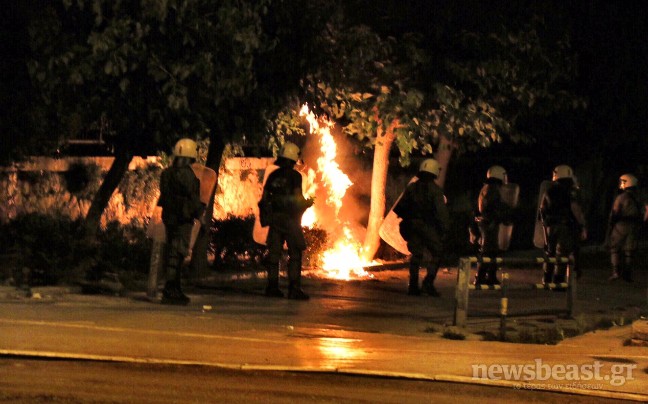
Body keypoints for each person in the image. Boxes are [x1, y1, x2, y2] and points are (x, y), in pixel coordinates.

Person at [259, 142, 314, 300]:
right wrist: (306, 204)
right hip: (290, 220)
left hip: (275, 219)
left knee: (274, 254)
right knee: (295, 253)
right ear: (292, 159)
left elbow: (264, 199)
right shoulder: (295, 176)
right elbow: (297, 198)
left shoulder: (273, 175)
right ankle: (294, 289)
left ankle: (272, 287)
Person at [394, 158, 450, 296]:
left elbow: (399, 209)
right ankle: (428, 284)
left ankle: (413, 286)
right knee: (437, 252)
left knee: (416, 255)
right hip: (427, 227)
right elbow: (441, 213)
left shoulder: (412, 188)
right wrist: (445, 229)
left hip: (412, 225)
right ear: (434, 172)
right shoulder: (435, 190)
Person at [157, 138, 204, 305]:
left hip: (169, 217)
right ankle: (171, 290)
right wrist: (200, 216)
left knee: (172, 251)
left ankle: (174, 289)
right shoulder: (188, 175)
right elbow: (192, 197)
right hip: (183, 217)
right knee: (178, 254)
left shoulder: (166, 173)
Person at [539, 165, 587, 285]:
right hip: (564, 226)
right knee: (562, 254)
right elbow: (575, 209)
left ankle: (546, 278)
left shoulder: (549, 190)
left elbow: (542, 209)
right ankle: (558, 280)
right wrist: (582, 225)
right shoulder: (570, 191)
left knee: (550, 252)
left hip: (550, 226)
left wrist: (545, 225)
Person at [473, 165, 511, 286]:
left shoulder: (487, 188)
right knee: (488, 251)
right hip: (489, 223)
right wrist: (505, 212)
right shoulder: (492, 189)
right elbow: (495, 207)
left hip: (487, 222)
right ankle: (480, 277)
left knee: (492, 251)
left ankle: (490, 276)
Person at [607, 173, 643, 282]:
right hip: (633, 226)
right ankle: (628, 273)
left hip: (621, 225)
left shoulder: (621, 197)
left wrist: (611, 225)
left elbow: (615, 213)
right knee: (629, 250)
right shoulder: (638, 198)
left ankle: (616, 272)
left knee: (614, 248)